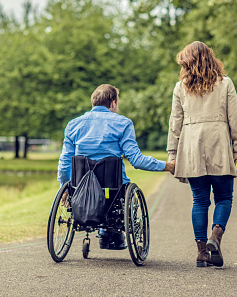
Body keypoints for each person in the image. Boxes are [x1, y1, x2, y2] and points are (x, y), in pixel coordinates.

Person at [58, 84, 175, 250]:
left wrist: (65, 187)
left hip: (81, 187)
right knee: (118, 191)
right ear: (113, 103)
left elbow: (64, 163)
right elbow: (137, 160)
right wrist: (167, 166)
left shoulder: (73, 125)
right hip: (113, 188)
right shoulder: (123, 123)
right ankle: (109, 233)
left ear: (93, 103)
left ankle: (105, 233)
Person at [167, 41, 237, 267]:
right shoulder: (225, 84)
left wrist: (173, 153)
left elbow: (175, 123)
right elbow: (235, 119)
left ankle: (202, 253)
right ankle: (215, 236)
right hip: (219, 143)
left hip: (192, 145)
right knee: (224, 197)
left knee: (200, 201)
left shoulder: (180, 87)